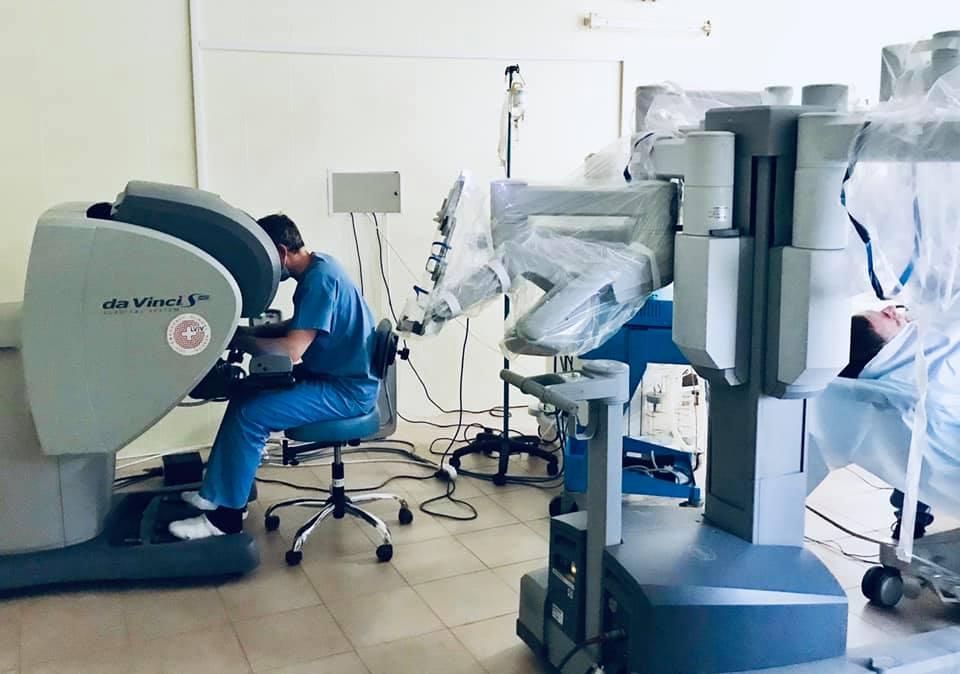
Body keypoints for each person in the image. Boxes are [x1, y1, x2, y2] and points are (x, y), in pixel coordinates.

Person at [168, 214, 380, 540]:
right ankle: (217, 494)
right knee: (245, 395)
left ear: (280, 252)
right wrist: (247, 332)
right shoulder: (319, 266)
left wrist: (244, 343)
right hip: (333, 376)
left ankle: (225, 521)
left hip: (346, 390)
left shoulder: (319, 280)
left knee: (252, 415)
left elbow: (293, 350)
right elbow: (301, 325)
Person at [837, 305, 933, 539]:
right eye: (885, 316)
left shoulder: (878, 383)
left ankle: (912, 518)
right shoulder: (908, 379)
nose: (891, 308)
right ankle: (912, 518)